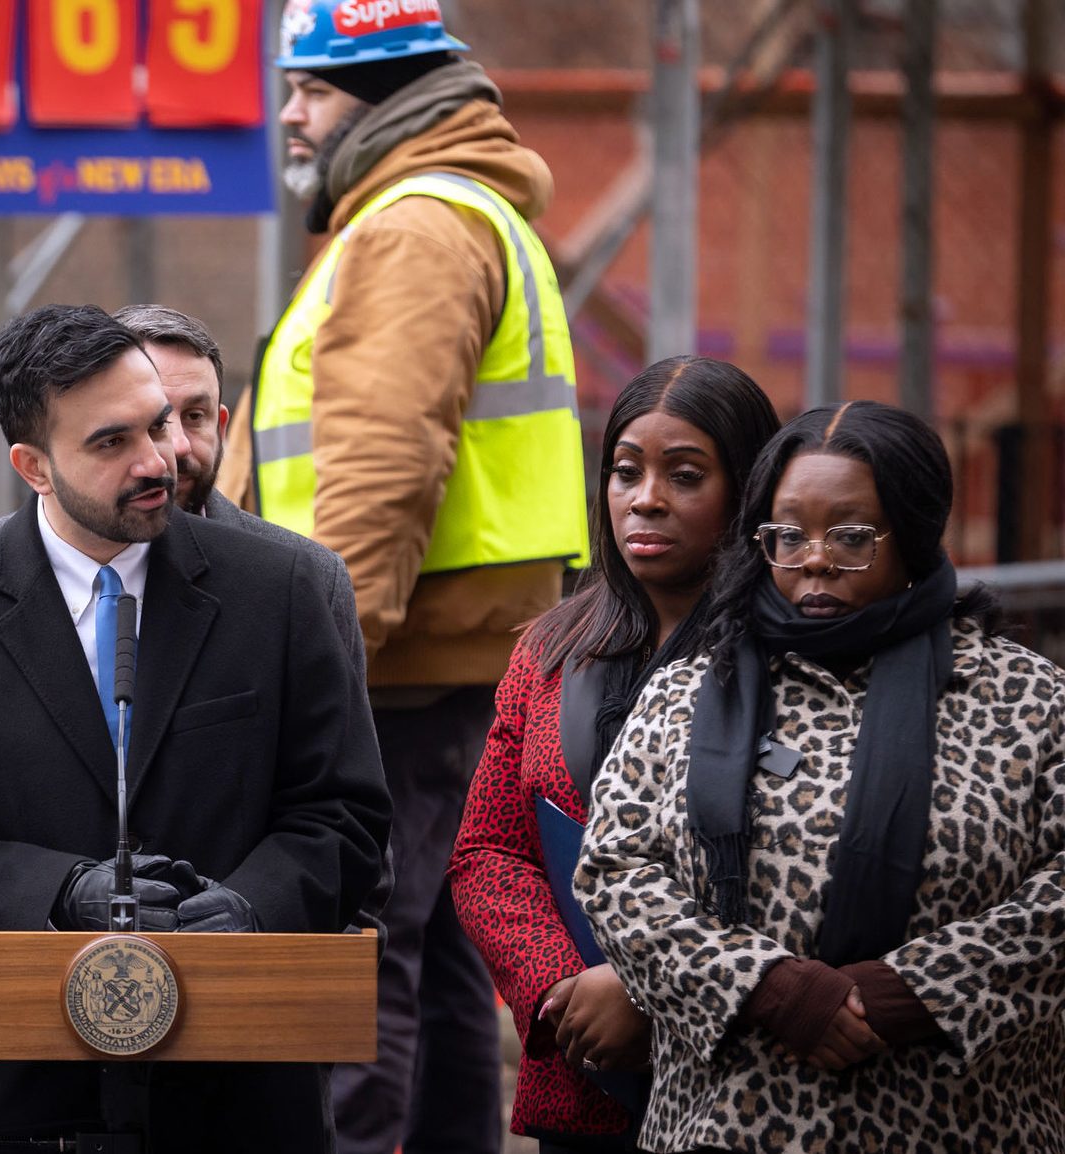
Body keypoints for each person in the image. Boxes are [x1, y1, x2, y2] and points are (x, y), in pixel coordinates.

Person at [0, 304, 390, 1150]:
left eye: (160, 424)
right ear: (33, 466)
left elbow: (347, 816)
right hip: (32, 1098)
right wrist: (60, 892)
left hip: (245, 1094)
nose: (158, 461)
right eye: (111, 442)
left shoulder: (281, 589)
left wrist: (253, 906)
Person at [220, 5, 591, 1150]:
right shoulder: (449, 212)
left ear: (389, 95)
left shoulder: (412, 228)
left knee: (356, 952)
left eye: (312, 90)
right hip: (443, 652)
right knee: (434, 957)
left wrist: (321, 665)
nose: (289, 114)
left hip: (392, 663)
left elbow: (381, 469)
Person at [579, 400, 1065, 1152]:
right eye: (787, 535)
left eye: (850, 536)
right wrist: (768, 988)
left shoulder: (1026, 697)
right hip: (730, 1124)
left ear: (911, 534)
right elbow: (614, 873)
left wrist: (914, 992)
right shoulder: (690, 690)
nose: (814, 559)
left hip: (961, 1122)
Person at [448, 357, 780, 1152]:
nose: (646, 498)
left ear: (747, 491)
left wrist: (650, 991)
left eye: (685, 475)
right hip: (582, 1066)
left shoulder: (794, 659)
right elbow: (488, 852)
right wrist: (566, 991)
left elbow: (796, 869)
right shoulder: (551, 649)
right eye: (626, 472)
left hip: (742, 1080)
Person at [0, 303, 361, 670]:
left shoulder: (301, 579)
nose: (172, 449)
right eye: (119, 436)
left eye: (194, 417)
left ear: (222, 425)